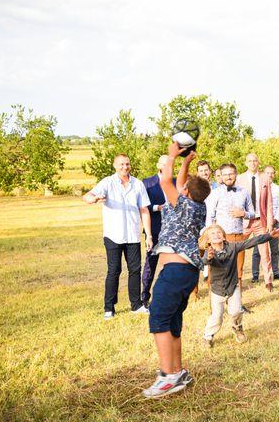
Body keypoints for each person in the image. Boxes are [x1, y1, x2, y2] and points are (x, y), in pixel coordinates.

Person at [142, 142, 211, 398]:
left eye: (184, 187)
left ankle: (167, 377)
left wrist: (172, 155)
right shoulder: (198, 206)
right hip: (186, 273)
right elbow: (181, 183)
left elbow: (165, 181)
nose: (180, 187)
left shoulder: (180, 204)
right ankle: (179, 372)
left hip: (174, 273)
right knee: (173, 322)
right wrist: (187, 161)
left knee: (159, 318)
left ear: (186, 193)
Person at [83, 154, 152, 320]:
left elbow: (144, 210)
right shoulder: (107, 182)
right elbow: (87, 196)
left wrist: (148, 235)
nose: (125, 167)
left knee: (135, 270)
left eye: (127, 164)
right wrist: (94, 199)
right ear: (115, 166)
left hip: (133, 236)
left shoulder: (138, 184)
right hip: (113, 235)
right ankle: (109, 308)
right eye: (121, 164)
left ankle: (136, 305)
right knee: (114, 270)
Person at [200, 224, 279, 347]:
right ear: (208, 240)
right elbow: (203, 261)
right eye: (212, 234)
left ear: (224, 237)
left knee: (236, 311)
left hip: (233, 286)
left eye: (219, 232)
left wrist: (270, 236)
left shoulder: (233, 247)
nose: (216, 235)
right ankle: (208, 336)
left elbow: (251, 242)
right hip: (217, 290)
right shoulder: (209, 252)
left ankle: (237, 328)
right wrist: (208, 258)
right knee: (216, 316)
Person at [205, 163, 254, 292]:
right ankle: (215, 306)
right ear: (221, 176)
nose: (228, 176)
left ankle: (237, 305)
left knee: (238, 271)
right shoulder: (215, 193)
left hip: (238, 237)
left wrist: (244, 214)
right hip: (220, 239)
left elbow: (253, 213)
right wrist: (211, 239)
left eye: (231, 173)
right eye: (225, 174)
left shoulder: (244, 192)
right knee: (216, 271)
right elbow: (209, 217)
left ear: (236, 174)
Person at [236, 153, 274, 291]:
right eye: (250, 161)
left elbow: (269, 201)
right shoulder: (239, 179)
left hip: (260, 221)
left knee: (265, 252)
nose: (252, 163)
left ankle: (268, 280)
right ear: (246, 163)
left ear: (258, 162)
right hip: (244, 222)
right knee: (237, 250)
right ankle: (236, 279)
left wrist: (270, 222)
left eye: (255, 161)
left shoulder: (265, 178)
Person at [140, 155, 174, 307]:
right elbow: (142, 206)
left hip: (173, 230)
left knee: (172, 264)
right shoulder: (147, 183)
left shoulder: (175, 182)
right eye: (165, 164)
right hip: (154, 228)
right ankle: (145, 296)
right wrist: (157, 208)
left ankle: (168, 295)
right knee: (150, 264)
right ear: (158, 165)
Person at [252, 165, 279, 282]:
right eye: (267, 173)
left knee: (274, 249)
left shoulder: (277, 188)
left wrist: (275, 219)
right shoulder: (259, 186)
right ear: (263, 174)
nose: (270, 175)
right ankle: (255, 274)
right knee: (257, 250)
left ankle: (276, 272)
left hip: (274, 222)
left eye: (272, 173)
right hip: (261, 222)